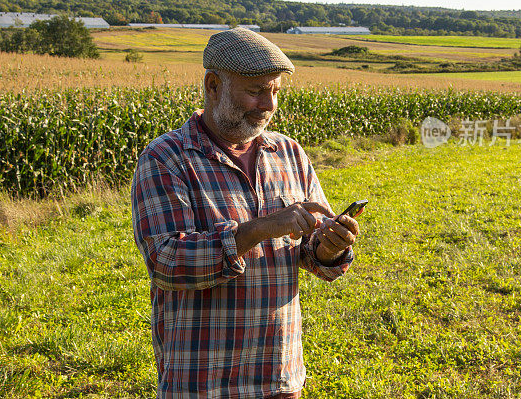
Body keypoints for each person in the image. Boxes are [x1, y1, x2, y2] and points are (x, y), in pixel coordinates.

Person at [131, 27, 360, 398]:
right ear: (213, 85)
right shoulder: (167, 159)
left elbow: (310, 252)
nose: (268, 105)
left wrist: (329, 247)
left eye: (274, 92)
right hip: (203, 380)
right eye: (255, 91)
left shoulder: (288, 153)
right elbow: (165, 261)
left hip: (279, 375)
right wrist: (258, 229)